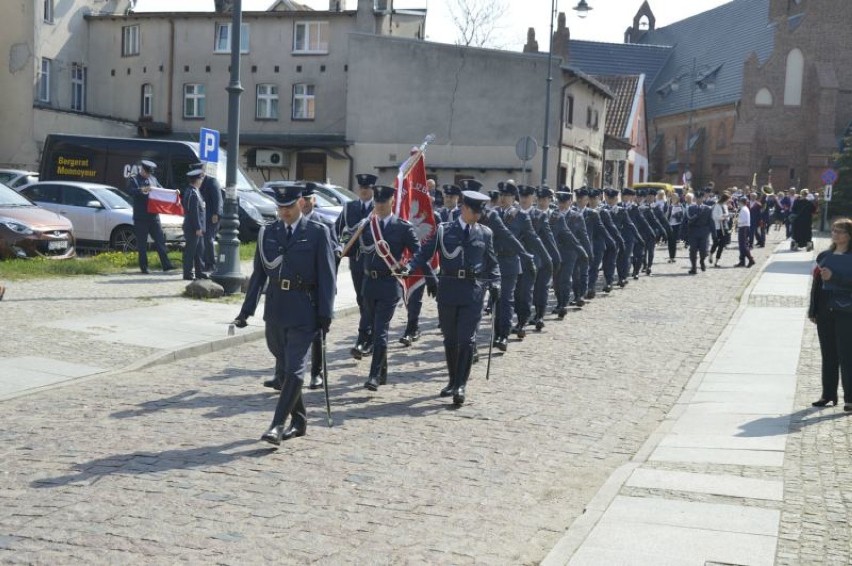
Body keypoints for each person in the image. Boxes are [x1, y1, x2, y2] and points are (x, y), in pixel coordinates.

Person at [233, 185, 336, 446]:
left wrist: (326, 314)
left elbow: (327, 276)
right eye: (280, 208)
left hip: (304, 310)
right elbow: (258, 275)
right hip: (276, 310)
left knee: (295, 370)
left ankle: (277, 425)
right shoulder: (268, 232)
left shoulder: (317, 232)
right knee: (285, 365)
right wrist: (246, 312)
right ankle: (299, 420)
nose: (285, 212)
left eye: (289, 207)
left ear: (300, 203)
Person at [410, 191, 500, 405]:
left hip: (473, 292)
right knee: (450, 339)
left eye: (481, 211)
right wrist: (408, 267)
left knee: (467, 340)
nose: (478, 215)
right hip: (449, 290)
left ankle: (461, 385)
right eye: (475, 211)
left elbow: (492, 262)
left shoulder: (485, 233)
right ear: (464, 208)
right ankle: (452, 381)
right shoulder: (444, 230)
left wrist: (496, 283)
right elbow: (423, 254)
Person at [357, 185, 420, 391]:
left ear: (392, 202)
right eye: (377, 201)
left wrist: (409, 266)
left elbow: (418, 251)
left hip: (389, 283)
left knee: (380, 330)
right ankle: (383, 372)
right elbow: (349, 245)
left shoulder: (402, 227)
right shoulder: (366, 225)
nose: (380, 205)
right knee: (373, 330)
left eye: (383, 202)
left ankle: (374, 375)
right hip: (369, 283)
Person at [808, 218, 852, 411]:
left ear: (849, 235)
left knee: (846, 354)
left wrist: (835, 277)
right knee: (828, 354)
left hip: (846, 310)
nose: (835, 233)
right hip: (825, 309)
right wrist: (813, 309)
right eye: (834, 230)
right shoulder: (825, 255)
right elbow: (817, 285)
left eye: (840, 231)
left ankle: (850, 398)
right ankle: (828, 394)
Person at [302, 182, 341, 389]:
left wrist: (335, 252)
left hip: (318, 287)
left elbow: (336, 246)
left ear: (313, 201)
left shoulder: (325, 223)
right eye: (302, 200)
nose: (305, 204)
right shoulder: (290, 223)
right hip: (298, 289)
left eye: (308, 200)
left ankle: (316, 373)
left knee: (318, 333)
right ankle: (283, 373)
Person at [335, 173, 377, 359]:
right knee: (361, 299)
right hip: (356, 261)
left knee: (369, 300)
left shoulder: (379, 208)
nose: (363, 191)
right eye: (361, 188)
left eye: (367, 189)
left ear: (372, 190)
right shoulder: (350, 207)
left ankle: (367, 338)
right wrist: (337, 247)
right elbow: (337, 229)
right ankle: (369, 335)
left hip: (375, 262)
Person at [126, 159, 176, 274]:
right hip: (141, 218)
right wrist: (142, 190)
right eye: (147, 172)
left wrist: (172, 193)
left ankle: (166, 265)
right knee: (142, 244)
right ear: (142, 169)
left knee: (160, 241)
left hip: (154, 217)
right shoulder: (134, 179)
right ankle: (144, 267)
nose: (148, 175)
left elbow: (161, 190)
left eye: (150, 173)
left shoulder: (153, 179)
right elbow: (130, 191)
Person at [181, 167, 207, 281]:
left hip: (197, 227)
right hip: (193, 227)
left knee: (199, 250)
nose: (201, 181)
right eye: (200, 179)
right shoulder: (192, 193)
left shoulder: (195, 192)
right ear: (196, 180)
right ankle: (188, 274)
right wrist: (198, 227)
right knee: (190, 251)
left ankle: (199, 272)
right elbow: (194, 212)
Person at [196, 164, 223, 273]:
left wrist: (216, 214)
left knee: (209, 239)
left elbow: (218, 199)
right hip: (204, 216)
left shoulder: (212, 182)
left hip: (213, 216)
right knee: (204, 240)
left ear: (203, 171)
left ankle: (211, 264)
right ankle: (205, 262)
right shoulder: (199, 183)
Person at [685, 191, 714, 274]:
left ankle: (702, 261)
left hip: (704, 232)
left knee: (703, 251)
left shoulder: (708, 208)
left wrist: (714, 234)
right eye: (697, 198)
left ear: (703, 198)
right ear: (695, 199)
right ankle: (693, 267)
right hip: (693, 232)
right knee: (693, 250)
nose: (698, 200)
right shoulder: (690, 208)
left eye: (700, 198)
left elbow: (710, 221)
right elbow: (687, 221)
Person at [709, 193, 732, 267]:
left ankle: (716, 262)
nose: (729, 201)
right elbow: (714, 217)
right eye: (728, 199)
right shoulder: (717, 206)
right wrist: (722, 217)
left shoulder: (725, 206)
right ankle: (710, 254)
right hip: (717, 227)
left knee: (722, 245)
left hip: (724, 227)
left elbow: (727, 217)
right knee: (716, 243)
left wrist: (727, 217)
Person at [735, 196, 756, 268]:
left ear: (741, 202)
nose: (738, 203)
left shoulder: (743, 209)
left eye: (739, 201)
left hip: (743, 228)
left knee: (743, 246)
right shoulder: (744, 208)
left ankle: (751, 259)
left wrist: (736, 220)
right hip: (744, 227)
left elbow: (743, 220)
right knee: (742, 246)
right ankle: (742, 261)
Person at [666, 191, 685, 263]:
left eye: (675, 197)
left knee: (673, 242)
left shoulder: (680, 206)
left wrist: (677, 215)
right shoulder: (669, 206)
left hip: (677, 226)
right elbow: (666, 215)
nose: (673, 198)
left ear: (678, 198)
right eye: (672, 197)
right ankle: (671, 256)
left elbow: (682, 216)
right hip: (669, 225)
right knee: (670, 242)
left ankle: (672, 257)